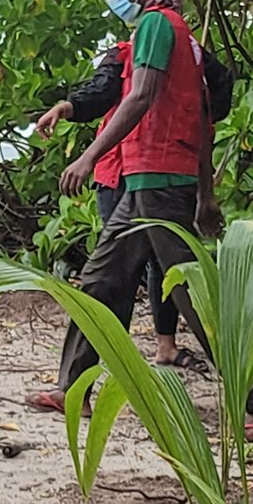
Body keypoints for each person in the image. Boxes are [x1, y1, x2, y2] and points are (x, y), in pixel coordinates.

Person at [30, 0, 253, 439]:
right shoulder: (177, 34)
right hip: (148, 178)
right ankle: (74, 386)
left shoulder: (157, 25)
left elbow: (141, 96)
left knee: (193, 294)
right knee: (102, 280)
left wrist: (89, 156)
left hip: (158, 178)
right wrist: (205, 189)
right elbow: (198, 115)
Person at [34, 39, 186, 366]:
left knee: (163, 265)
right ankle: (110, 354)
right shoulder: (124, 52)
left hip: (158, 170)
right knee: (117, 272)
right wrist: (66, 108)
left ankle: (165, 344)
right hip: (117, 173)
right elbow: (100, 92)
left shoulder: (185, 54)